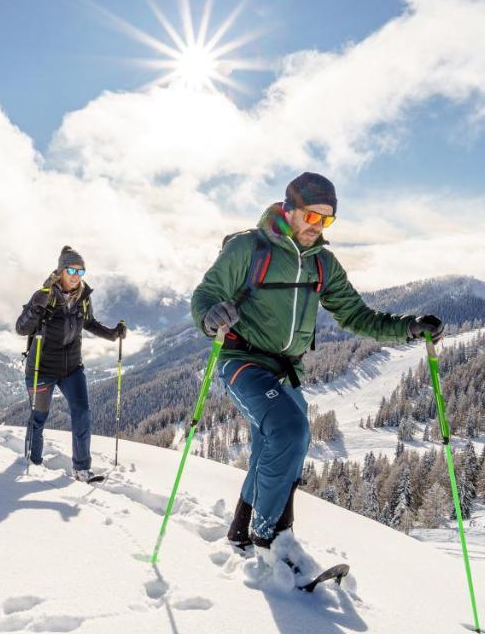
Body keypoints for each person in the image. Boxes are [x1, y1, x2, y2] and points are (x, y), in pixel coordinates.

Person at [190, 172, 443, 551]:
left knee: (273, 444)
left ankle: (241, 531)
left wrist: (408, 327)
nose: (318, 226)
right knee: (289, 431)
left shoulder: (322, 263)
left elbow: (357, 315)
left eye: (327, 220)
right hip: (241, 357)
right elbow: (206, 293)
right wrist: (210, 315)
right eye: (312, 216)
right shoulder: (249, 248)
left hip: (287, 367)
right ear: (289, 209)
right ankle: (271, 536)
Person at [15, 246, 126, 480]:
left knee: (82, 413)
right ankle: (33, 462)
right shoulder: (44, 295)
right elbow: (21, 328)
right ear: (60, 271)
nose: (76, 276)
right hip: (42, 368)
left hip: (72, 369)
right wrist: (36, 308)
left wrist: (113, 334)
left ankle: (82, 468)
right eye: (71, 270)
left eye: (80, 271)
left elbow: (90, 322)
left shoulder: (83, 298)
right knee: (39, 417)